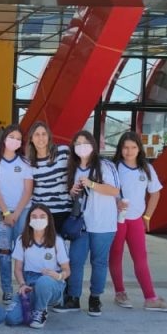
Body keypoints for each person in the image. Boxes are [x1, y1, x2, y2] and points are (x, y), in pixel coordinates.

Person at [111, 131, 167, 312]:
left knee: (141, 258)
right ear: (120, 149)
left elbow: (155, 193)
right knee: (115, 256)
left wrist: (147, 216)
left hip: (136, 221)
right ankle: (120, 292)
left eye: (133, 147)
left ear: (139, 149)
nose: (129, 151)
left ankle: (150, 297)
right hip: (116, 220)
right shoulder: (113, 167)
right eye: (125, 147)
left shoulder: (146, 168)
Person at [66, 130, 121, 317]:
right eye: (78, 143)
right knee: (76, 260)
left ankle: (95, 297)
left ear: (93, 145)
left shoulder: (105, 165)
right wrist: (72, 191)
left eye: (85, 142)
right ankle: (73, 297)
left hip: (103, 223)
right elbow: (71, 195)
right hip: (81, 225)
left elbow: (114, 190)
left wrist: (92, 184)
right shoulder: (72, 167)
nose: (81, 146)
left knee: (99, 262)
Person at [0, 125, 34, 303]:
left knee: (23, 251)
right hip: (1, 213)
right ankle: (7, 289)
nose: (15, 140)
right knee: (4, 252)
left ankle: (24, 286)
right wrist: (6, 212)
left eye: (18, 138)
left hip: (23, 211)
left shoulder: (25, 162)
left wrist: (17, 213)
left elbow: (28, 191)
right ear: (4, 138)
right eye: (11, 137)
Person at [11, 204, 71, 329]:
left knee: (44, 281)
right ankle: (34, 304)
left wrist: (59, 276)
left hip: (51, 282)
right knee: (11, 318)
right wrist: (22, 284)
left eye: (42, 216)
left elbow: (67, 270)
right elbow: (17, 269)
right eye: (34, 216)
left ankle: (41, 311)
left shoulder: (57, 241)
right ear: (29, 220)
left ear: (48, 220)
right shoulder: (22, 240)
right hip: (30, 283)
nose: (38, 220)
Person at [25, 121, 73, 232]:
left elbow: (76, 171)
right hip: (41, 213)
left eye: (44, 134)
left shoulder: (63, 151)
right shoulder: (28, 162)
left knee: (61, 246)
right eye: (37, 134)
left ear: (49, 136)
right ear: (31, 139)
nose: (41, 137)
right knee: (45, 247)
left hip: (64, 210)